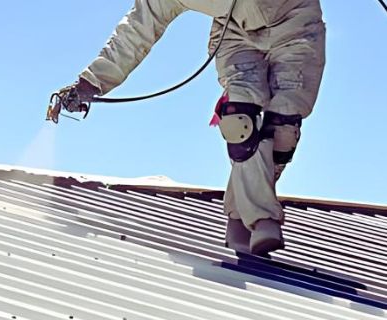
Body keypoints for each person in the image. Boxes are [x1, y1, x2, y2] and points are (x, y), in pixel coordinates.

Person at [57, 0, 325, 256]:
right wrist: (90, 83)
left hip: (296, 23)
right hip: (235, 33)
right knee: (240, 121)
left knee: (283, 128)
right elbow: (136, 30)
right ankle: (262, 218)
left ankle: (238, 216)